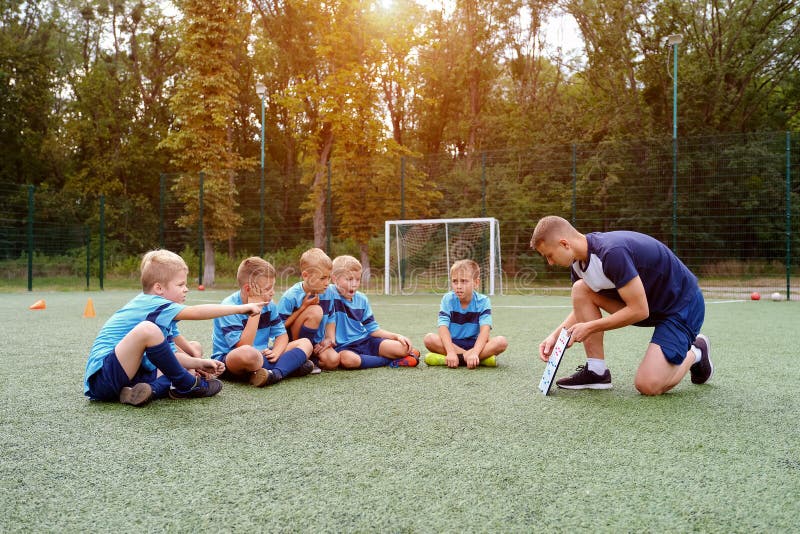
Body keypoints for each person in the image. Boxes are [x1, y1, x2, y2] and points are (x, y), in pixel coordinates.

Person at [530, 215, 714, 395]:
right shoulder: (578, 264)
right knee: (580, 289)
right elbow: (581, 308)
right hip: (649, 306)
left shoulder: (612, 253)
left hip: (681, 305)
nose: (550, 262)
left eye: (549, 255)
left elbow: (639, 311)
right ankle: (596, 372)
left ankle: (696, 351)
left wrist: (589, 327)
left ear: (564, 244)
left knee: (648, 385)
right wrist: (555, 336)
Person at [83, 249, 266, 407]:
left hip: (125, 379)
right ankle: (188, 386)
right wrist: (242, 308)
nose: (186, 289)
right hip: (102, 378)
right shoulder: (151, 303)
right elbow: (195, 312)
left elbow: (172, 357)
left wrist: (200, 363)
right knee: (147, 329)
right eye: (180, 285)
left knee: (171, 361)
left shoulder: (162, 317)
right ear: (159, 288)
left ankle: (148, 391)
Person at [212, 257, 314, 387]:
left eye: (272, 287)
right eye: (267, 289)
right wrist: (255, 310)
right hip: (231, 361)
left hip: (263, 355)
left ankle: (275, 373)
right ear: (249, 290)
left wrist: (276, 352)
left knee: (305, 343)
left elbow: (282, 336)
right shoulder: (229, 307)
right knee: (248, 354)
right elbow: (244, 346)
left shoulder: (269, 305)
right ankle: (289, 366)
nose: (272, 292)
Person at [331, 255, 420, 369]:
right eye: (349, 279)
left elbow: (373, 330)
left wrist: (396, 336)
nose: (354, 284)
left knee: (403, 348)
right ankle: (388, 361)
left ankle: (400, 354)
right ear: (334, 279)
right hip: (344, 348)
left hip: (366, 341)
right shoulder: (329, 294)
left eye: (357, 279)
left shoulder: (362, 299)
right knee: (348, 360)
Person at [423, 259, 508, 369]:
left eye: (463, 281)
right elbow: (443, 327)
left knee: (501, 342)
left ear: (476, 283)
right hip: (452, 344)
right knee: (429, 339)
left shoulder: (483, 301)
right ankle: (477, 359)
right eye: (455, 281)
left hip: (475, 345)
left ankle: (460, 359)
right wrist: (450, 352)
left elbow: (485, 331)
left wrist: (475, 352)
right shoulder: (448, 299)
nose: (458, 286)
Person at [277, 248, 339, 371]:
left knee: (333, 361)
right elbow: (278, 328)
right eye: (322, 278)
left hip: (316, 344)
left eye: (329, 278)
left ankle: (307, 362)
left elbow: (331, 317)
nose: (327, 283)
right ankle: (300, 357)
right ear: (306, 276)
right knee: (316, 311)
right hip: (292, 344)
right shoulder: (290, 297)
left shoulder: (329, 292)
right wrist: (303, 308)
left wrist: (329, 339)